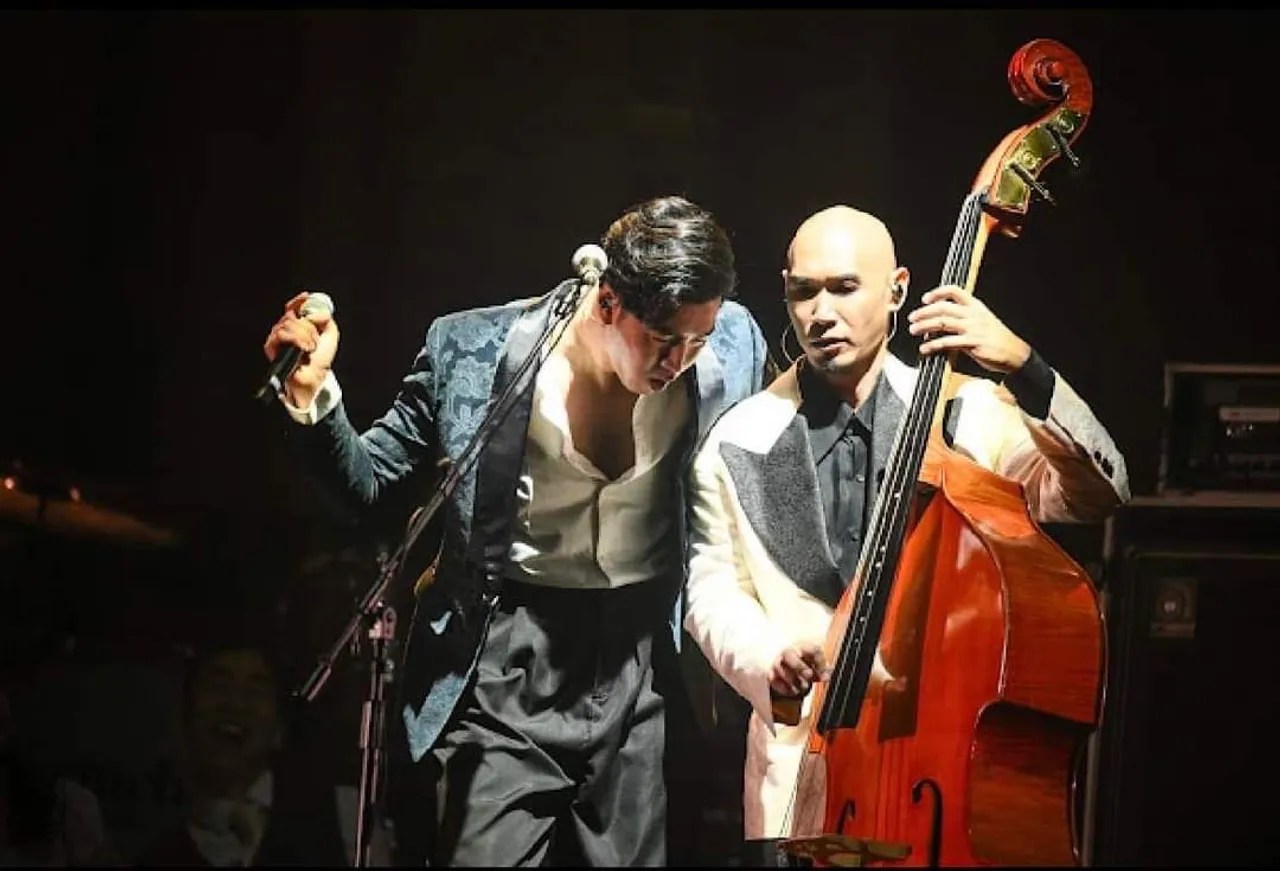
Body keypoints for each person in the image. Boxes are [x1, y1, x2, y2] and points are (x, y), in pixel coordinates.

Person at [261, 195, 770, 866]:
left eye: (697, 340)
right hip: (507, 656)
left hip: (638, 661)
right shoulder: (473, 352)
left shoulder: (733, 343)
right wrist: (313, 396)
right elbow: (371, 484)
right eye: (664, 340)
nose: (681, 359)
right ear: (608, 302)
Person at [681, 204, 1131, 862]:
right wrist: (766, 657)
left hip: (940, 774)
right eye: (804, 291)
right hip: (800, 778)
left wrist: (1025, 369)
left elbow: (1095, 494)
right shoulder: (737, 436)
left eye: (844, 287)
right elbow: (712, 587)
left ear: (897, 289)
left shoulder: (966, 415)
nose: (820, 313)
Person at [136, 627, 394, 867]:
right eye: (219, 685)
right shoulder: (155, 851)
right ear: (186, 714)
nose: (236, 704)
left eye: (255, 690)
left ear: (279, 728)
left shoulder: (345, 815)